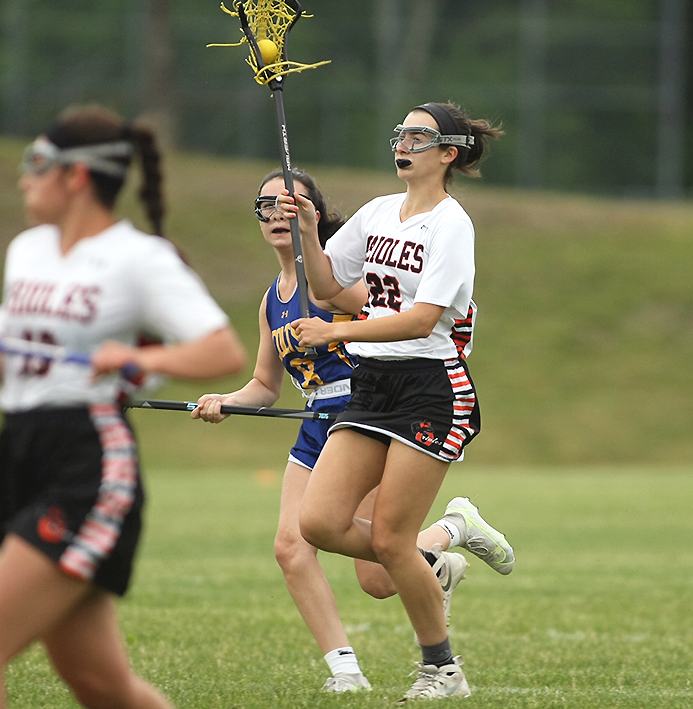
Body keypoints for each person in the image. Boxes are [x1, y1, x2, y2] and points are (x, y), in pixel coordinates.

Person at [192, 166, 514, 693]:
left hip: (367, 411)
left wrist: (336, 327)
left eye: (288, 204)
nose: (277, 215)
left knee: (380, 575)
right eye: (266, 206)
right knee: (293, 544)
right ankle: (346, 672)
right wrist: (226, 401)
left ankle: (452, 532)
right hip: (315, 425)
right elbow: (264, 384)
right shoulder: (271, 300)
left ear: (314, 213)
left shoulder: (351, 281)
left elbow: (405, 321)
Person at [0, 104, 246, 709]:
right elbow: (8, 348)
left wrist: (139, 361)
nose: (24, 178)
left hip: (86, 459)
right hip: (21, 447)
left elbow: (221, 349)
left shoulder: (139, 258)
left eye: (36, 163)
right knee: (102, 686)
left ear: (74, 176)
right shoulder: (27, 251)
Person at [280, 101, 506, 702]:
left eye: (418, 137)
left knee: (388, 543)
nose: (402, 144)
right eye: (399, 133)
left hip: (431, 388)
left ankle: (442, 670)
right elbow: (330, 287)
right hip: (373, 387)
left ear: (448, 153)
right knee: (319, 522)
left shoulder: (452, 225)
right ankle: (448, 537)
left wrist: (337, 331)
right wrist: (308, 233)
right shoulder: (379, 213)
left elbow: (423, 319)